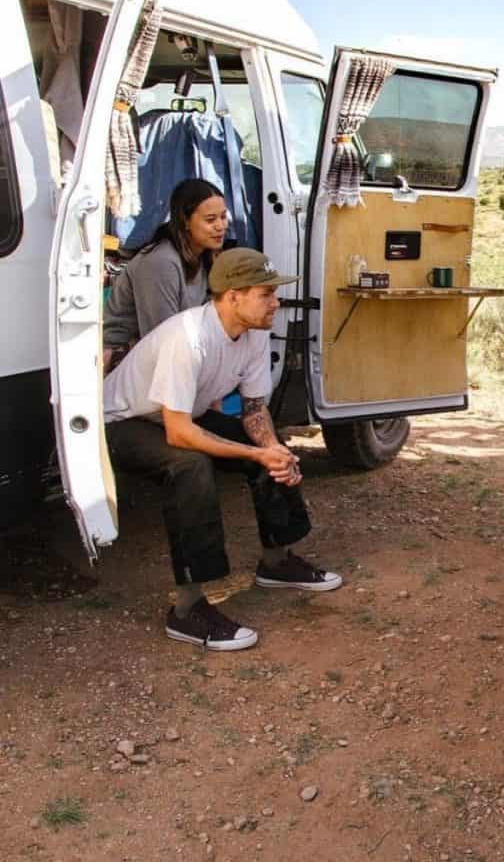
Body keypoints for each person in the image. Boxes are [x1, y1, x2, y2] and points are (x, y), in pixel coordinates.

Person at [103, 247, 343, 650]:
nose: (276, 302)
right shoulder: (188, 338)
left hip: (178, 415)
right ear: (232, 296)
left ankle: (277, 561)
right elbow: (179, 434)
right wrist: (255, 455)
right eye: (265, 293)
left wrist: (272, 451)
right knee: (190, 466)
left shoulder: (255, 332)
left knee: (271, 445)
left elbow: (253, 409)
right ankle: (187, 610)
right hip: (120, 423)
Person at [103, 177, 226, 371]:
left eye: (223, 217)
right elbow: (162, 338)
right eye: (210, 220)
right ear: (185, 221)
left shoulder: (204, 257)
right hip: (124, 360)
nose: (221, 226)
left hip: (174, 350)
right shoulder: (161, 262)